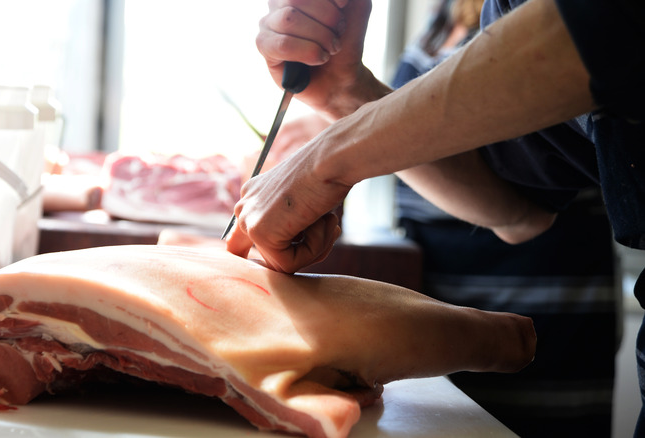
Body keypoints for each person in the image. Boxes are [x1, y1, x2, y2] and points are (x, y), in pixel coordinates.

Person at [226, 0, 645, 433]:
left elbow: (597, 28)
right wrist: (345, 93)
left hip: (554, 340)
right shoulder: (445, 15)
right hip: (453, 361)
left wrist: (326, 160)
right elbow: (518, 210)